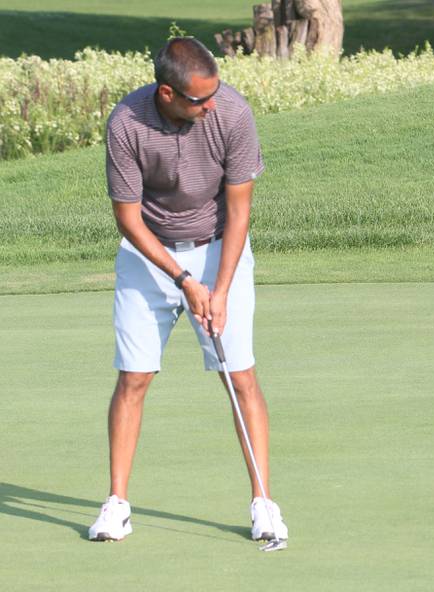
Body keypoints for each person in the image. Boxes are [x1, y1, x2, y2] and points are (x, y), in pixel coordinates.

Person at [88, 37, 287, 544]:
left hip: (220, 247)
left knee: (239, 374)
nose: (211, 104)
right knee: (133, 377)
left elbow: (240, 210)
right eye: (199, 99)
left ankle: (264, 502)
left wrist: (217, 288)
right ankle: (117, 504)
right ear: (167, 94)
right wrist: (182, 280)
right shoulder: (126, 123)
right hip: (149, 254)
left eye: (214, 93)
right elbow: (128, 219)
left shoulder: (233, 115)